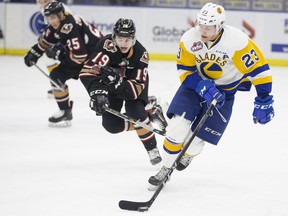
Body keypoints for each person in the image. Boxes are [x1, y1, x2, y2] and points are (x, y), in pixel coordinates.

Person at [148, 2, 275, 186]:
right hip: (195, 87)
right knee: (177, 128)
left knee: (196, 141)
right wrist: (200, 85)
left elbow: (260, 71)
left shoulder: (237, 42)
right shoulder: (189, 39)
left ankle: (189, 153)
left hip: (224, 93)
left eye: (209, 27)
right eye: (201, 25)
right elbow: (184, 71)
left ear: (220, 26)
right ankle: (166, 168)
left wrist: (264, 99)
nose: (203, 31)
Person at [79, 18, 167, 166]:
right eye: (120, 38)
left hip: (133, 86)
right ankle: (151, 114)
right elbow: (87, 72)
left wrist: (117, 81)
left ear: (133, 39)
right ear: (114, 37)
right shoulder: (106, 46)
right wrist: (97, 93)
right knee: (111, 126)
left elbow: (134, 91)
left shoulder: (141, 54)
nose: (123, 43)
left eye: (127, 39)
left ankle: (152, 148)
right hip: (111, 85)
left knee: (135, 112)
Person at [24, 1, 103, 127]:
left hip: (97, 57)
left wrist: (59, 55)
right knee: (56, 76)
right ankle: (65, 111)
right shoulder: (57, 25)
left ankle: (135, 100)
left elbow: (80, 56)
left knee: (106, 84)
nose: (51, 21)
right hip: (86, 56)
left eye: (53, 17)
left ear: (61, 15)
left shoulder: (70, 26)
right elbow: (45, 41)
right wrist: (34, 53)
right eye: (49, 18)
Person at [35, 0, 73, 98]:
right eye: (40, 1)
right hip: (63, 40)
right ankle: (57, 83)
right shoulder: (47, 8)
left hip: (71, 42)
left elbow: (69, 26)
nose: (42, 3)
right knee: (47, 56)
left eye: (44, 1)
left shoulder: (58, 8)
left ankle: (58, 83)